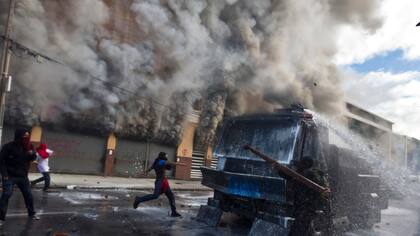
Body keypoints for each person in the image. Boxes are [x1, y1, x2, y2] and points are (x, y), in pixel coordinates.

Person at [0, 128, 39, 225]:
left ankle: (32, 213)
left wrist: (32, 154)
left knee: (28, 195)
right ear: (18, 136)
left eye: (28, 136)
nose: (26, 138)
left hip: (23, 176)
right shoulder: (8, 147)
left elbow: (33, 158)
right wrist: (4, 175)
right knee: (6, 195)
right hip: (9, 176)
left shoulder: (29, 146)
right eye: (24, 136)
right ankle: (1, 218)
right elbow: (1, 161)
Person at [133, 152, 184, 217]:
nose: (166, 157)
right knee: (155, 195)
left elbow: (150, 168)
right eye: (166, 156)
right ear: (163, 156)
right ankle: (138, 199)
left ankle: (174, 212)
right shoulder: (160, 162)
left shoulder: (157, 162)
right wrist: (178, 163)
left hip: (164, 182)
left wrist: (143, 173)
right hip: (159, 182)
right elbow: (167, 163)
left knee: (171, 196)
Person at [289, 157, 330, 236]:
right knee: (303, 230)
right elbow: (290, 176)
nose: (298, 166)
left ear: (305, 165)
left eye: (301, 164)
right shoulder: (312, 174)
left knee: (298, 231)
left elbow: (291, 175)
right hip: (308, 209)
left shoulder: (308, 174)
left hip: (306, 209)